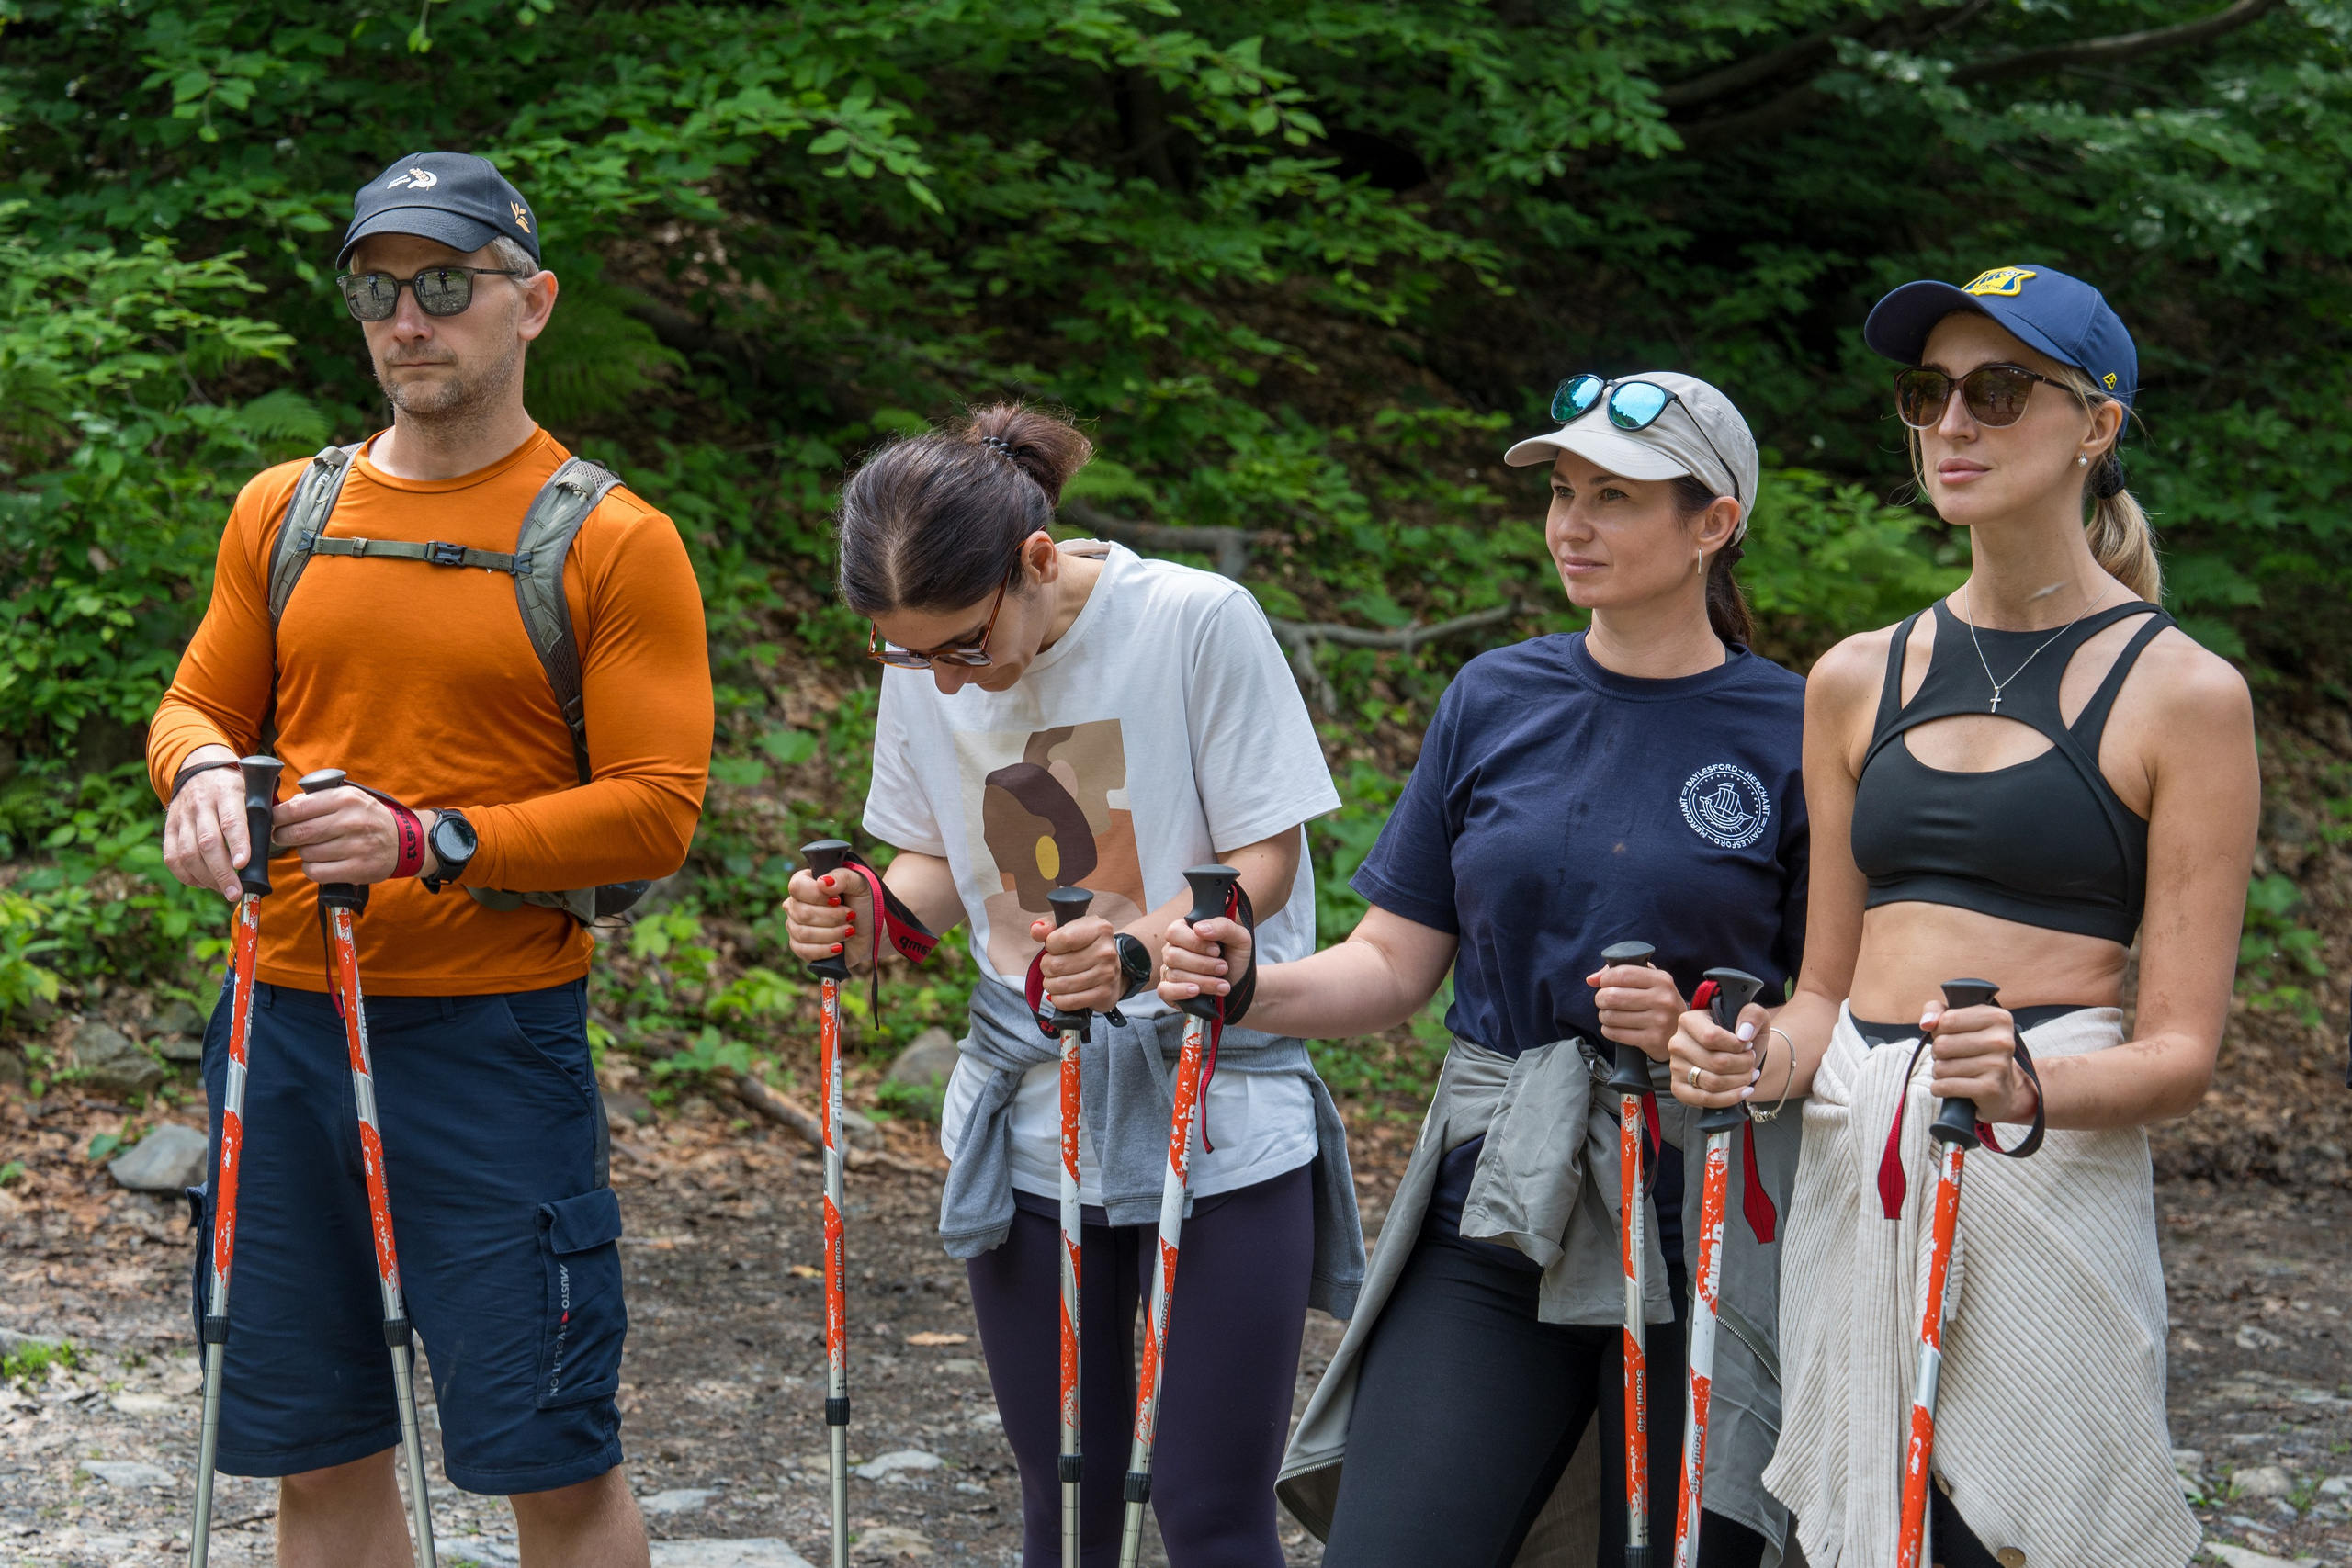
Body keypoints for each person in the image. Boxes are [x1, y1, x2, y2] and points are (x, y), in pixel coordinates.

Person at [151, 151, 712, 1567]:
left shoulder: (612, 539)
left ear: (532, 303)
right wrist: (202, 774)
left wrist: (430, 839)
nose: (410, 318)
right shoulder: (285, 509)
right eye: (378, 286)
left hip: (493, 1048)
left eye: (447, 284)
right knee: (312, 1446)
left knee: (551, 1457)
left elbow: (656, 810)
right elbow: (197, 705)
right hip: (275, 1029)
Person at [1164, 373, 1809, 1567]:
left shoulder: (1801, 725)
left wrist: (1713, 1027)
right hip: (1498, 1198)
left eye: (1613, 496)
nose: (1571, 521)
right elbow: (1392, 962)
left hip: (1709, 1212)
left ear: (1713, 522)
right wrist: (1248, 984)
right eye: (1562, 492)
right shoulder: (1494, 696)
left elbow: (1833, 1006)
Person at [1672, 265, 2258, 1568]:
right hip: (1856, 1140)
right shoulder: (1852, 678)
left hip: (2046, 1159)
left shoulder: (2186, 695)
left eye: (1998, 390)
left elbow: (2179, 1049)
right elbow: (1822, 986)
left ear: (2096, 425)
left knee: (2042, 1527)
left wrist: (2030, 1085)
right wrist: (1758, 1053)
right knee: (1880, 1530)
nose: (1952, 425)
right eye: (1926, 391)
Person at [779, 404, 1363, 1568]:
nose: (943, 682)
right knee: (1068, 1505)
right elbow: (941, 857)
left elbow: (1266, 856)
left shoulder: (1195, 622)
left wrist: (1139, 951)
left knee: (1203, 1506)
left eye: (962, 647)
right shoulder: (926, 656)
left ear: (1037, 561)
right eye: (908, 654)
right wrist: (873, 918)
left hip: (1217, 1108)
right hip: (1035, 1110)